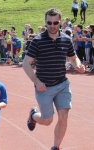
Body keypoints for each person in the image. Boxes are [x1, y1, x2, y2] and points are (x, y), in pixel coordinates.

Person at [23, 8, 85, 150]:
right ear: (45, 22)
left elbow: (73, 58)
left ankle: (56, 147)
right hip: (44, 86)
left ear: (60, 22)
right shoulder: (37, 41)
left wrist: (78, 65)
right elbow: (26, 64)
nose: (52, 26)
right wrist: (36, 81)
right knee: (47, 120)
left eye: (55, 22)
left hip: (62, 84)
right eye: (49, 23)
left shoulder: (66, 39)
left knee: (63, 117)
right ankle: (33, 116)